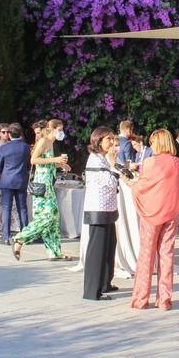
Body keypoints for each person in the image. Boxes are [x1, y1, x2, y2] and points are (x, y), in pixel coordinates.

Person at [126, 128, 179, 310]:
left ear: (157, 143)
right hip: (171, 213)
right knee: (167, 255)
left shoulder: (150, 162)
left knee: (146, 255)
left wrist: (130, 183)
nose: (150, 145)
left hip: (151, 214)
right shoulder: (178, 163)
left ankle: (141, 299)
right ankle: (164, 300)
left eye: (153, 142)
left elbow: (142, 186)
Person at [13, 120, 72, 261]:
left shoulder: (51, 143)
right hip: (42, 184)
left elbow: (48, 162)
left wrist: (61, 165)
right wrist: (56, 159)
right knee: (47, 216)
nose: (61, 132)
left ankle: (54, 252)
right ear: (52, 129)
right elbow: (34, 160)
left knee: (53, 217)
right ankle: (20, 238)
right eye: (59, 129)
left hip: (48, 184)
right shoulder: (43, 141)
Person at [82, 126, 120, 301]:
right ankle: (92, 291)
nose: (112, 143)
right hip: (98, 209)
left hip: (108, 209)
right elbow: (110, 182)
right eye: (108, 139)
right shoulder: (96, 159)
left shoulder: (103, 159)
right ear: (98, 141)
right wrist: (113, 165)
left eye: (113, 139)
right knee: (97, 251)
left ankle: (105, 283)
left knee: (109, 246)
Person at [0, 123, 30, 245]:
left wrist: (2, 173)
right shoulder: (26, 147)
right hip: (21, 180)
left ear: (9, 135)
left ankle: (6, 236)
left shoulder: (4, 148)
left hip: (7, 180)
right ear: (20, 134)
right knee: (22, 208)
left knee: (6, 208)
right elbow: (28, 164)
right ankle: (25, 235)